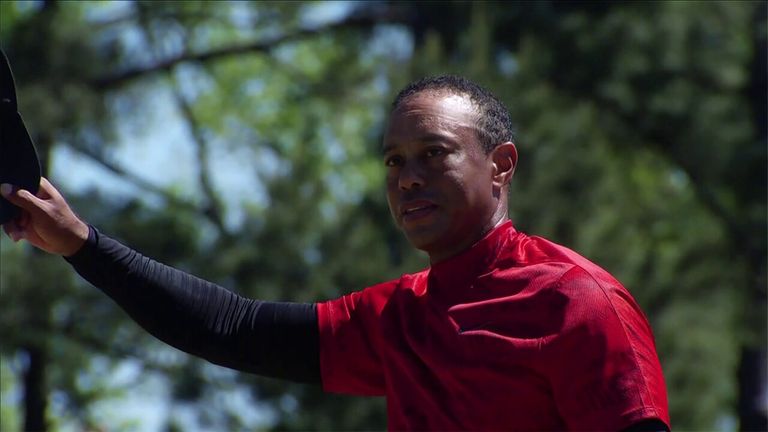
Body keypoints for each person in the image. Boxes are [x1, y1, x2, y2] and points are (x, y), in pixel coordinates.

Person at [1, 75, 670, 431]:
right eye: (394, 161)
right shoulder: (401, 317)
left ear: (501, 165)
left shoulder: (577, 302)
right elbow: (231, 327)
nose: (407, 177)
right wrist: (80, 244)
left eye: (434, 154)